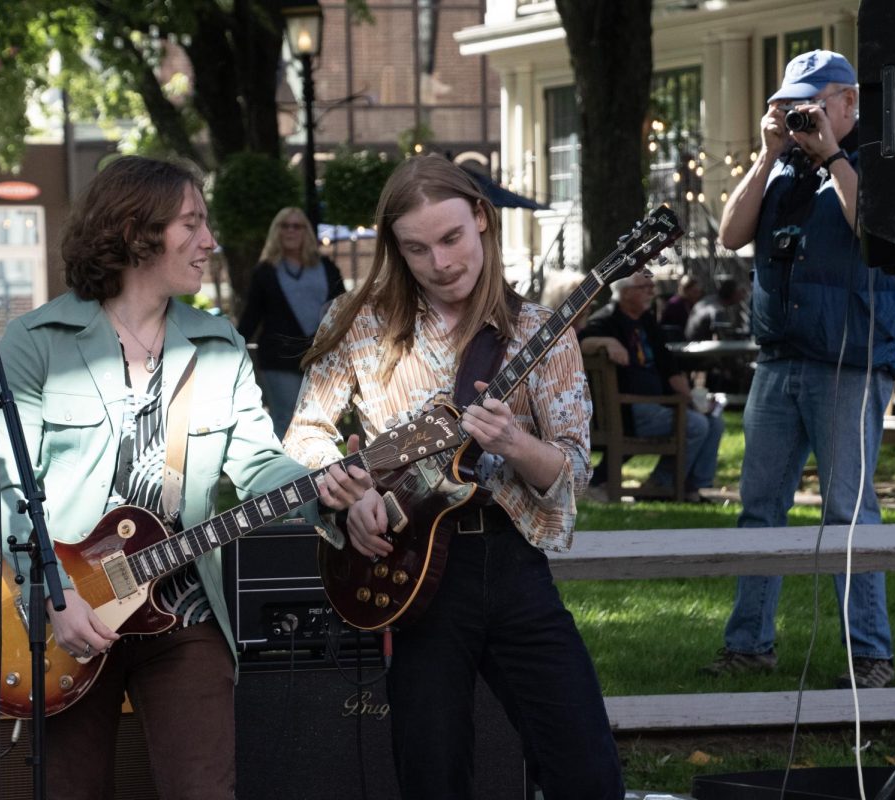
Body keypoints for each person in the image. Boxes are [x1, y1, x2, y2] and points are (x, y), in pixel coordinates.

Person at [0, 156, 371, 799]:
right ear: (136, 231)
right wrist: (50, 592)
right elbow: (6, 487)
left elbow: (258, 463)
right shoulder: (35, 343)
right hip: (69, 612)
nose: (209, 242)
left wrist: (322, 486)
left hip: (182, 609)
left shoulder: (218, 347)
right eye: (191, 225)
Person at [284, 155, 623, 799]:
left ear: (483, 223)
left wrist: (517, 443)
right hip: (411, 571)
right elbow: (303, 435)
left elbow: (573, 468)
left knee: (585, 763)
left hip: (512, 559)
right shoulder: (356, 323)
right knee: (432, 772)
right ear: (394, 249)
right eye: (416, 248)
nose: (440, 263)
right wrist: (348, 495)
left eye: (451, 239)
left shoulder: (535, 330)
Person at [702, 50, 895, 689]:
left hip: (847, 366)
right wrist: (766, 157)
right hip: (779, 361)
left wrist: (831, 157)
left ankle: (869, 655)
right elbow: (730, 236)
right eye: (792, 103)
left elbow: (879, 236)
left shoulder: (883, 162)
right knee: (758, 509)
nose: (802, 114)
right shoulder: (782, 168)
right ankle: (748, 646)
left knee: (849, 512)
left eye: (815, 102)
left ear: (848, 102)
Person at [579, 271, 724, 503]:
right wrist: (607, 341)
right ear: (625, 292)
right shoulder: (605, 320)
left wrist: (694, 400)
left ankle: (690, 488)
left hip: (661, 404)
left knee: (714, 421)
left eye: (651, 286)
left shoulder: (647, 321)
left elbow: (670, 368)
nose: (651, 292)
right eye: (644, 287)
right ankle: (660, 485)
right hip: (628, 410)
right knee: (696, 425)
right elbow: (580, 342)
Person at [237, 207, 345, 438]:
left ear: (306, 231)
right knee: (286, 419)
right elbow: (251, 316)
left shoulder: (327, 267)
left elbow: (343, 308)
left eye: (297, 226)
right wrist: (231, 346)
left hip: (321, 356)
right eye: (284, 226)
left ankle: (318, 472)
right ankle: (287, 475)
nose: (291, 231)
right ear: (276, 232)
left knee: (319, 421)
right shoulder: (265, 271)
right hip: (279, 358)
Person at [684, 277, 747, 342]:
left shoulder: (709, 300)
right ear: (733, 294)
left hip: (692, 344)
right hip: (699, 348)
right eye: (741, 292)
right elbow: (721, 340)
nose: (743, 296)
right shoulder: (717, 310)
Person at [659, 273, 702, 339]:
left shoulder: (692, 303)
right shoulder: (675, 304)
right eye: (694, 291)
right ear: (686, 290)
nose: (697, 295)